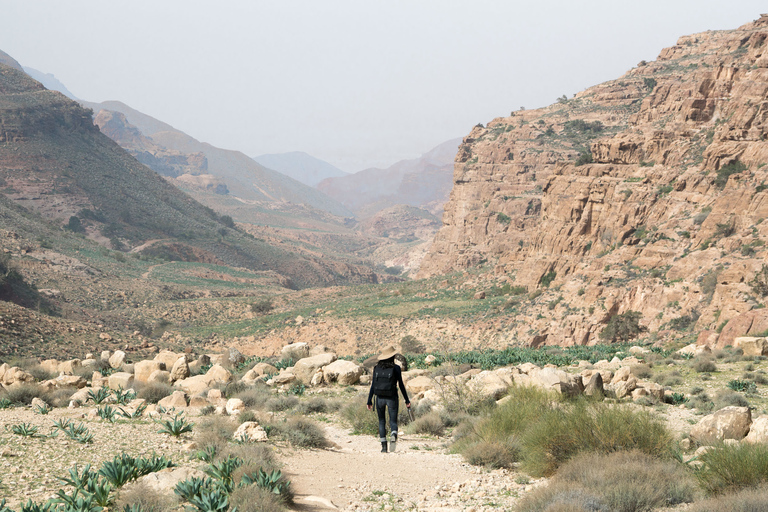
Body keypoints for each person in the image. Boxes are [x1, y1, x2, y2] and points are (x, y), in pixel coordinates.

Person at [367, 345, 411, 453]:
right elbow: (400, 385)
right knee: (392, 421)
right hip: (392, 398)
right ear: (392, 356)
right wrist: (407, 400)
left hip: (379, 398)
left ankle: (383, 448)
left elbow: (373, 385)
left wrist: (369, 400)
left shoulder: (376, 368)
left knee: (381, 421)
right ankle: (393, 435)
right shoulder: (396, 368)